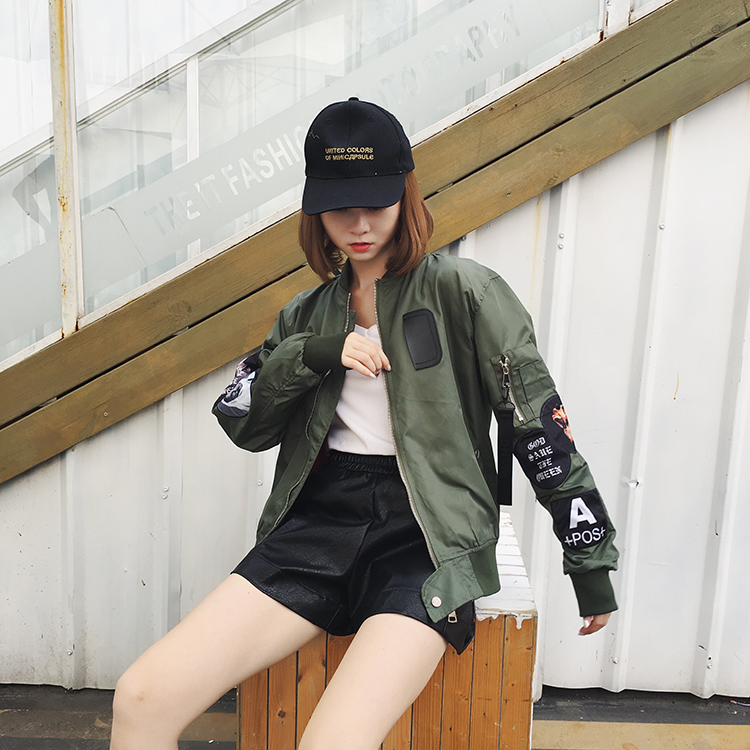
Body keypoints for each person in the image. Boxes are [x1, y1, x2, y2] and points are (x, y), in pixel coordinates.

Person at [110, 98, 618, 750]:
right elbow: (244, 420)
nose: (357, 224)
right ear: (314, 210)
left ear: (406, 193)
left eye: (375, 203)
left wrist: (589, 561)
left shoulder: (466, 292)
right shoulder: (305, 315)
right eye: (338, 206)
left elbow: (538, 427)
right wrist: (316, 353)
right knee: (141, 698)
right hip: (317, 526)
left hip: (424, 540)